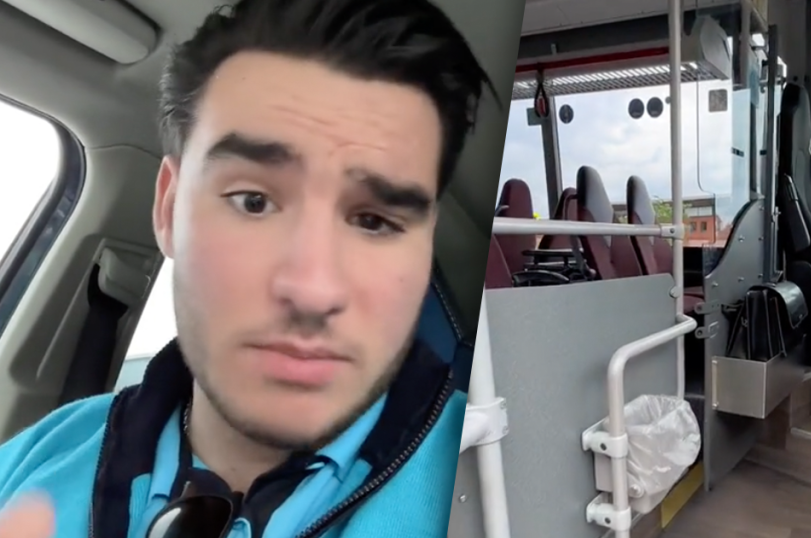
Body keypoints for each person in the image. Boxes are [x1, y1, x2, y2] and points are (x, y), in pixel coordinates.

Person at [0, 0, 494, 537]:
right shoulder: (30, 462)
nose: (311, 290)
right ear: (168, 209)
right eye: (253, 202)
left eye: (374, 221)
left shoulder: (498, 476)